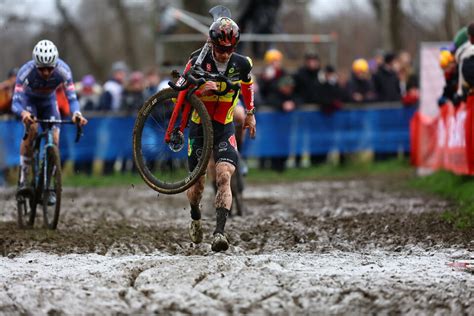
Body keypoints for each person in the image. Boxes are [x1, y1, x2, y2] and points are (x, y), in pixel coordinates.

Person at [183, 16, 256, 252]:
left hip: (224, 126)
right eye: (219, 49)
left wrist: (250, 113)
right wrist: (200, 87)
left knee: (224, 175)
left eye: (229, 49)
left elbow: (247, 85)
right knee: (198, 187)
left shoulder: (242, 64)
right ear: (211, 44)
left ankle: (219, 233)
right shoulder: (197, 60)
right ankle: (195, 216)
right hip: (199, 126)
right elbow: (181, 89)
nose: (224, 54)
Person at [11, 39, 88, 196]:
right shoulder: (25, 72)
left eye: (49, 68)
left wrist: (77, 114)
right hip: (29, 102)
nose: (46, 73)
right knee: (32, 129)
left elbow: (72, 99)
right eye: (42, 69)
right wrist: (23, 113)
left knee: (55, 138)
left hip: (48, 103)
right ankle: (24, 178)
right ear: (35, 64)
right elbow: (15, 103)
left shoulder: (64, 71)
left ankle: (48, 184)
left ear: (55, 64)